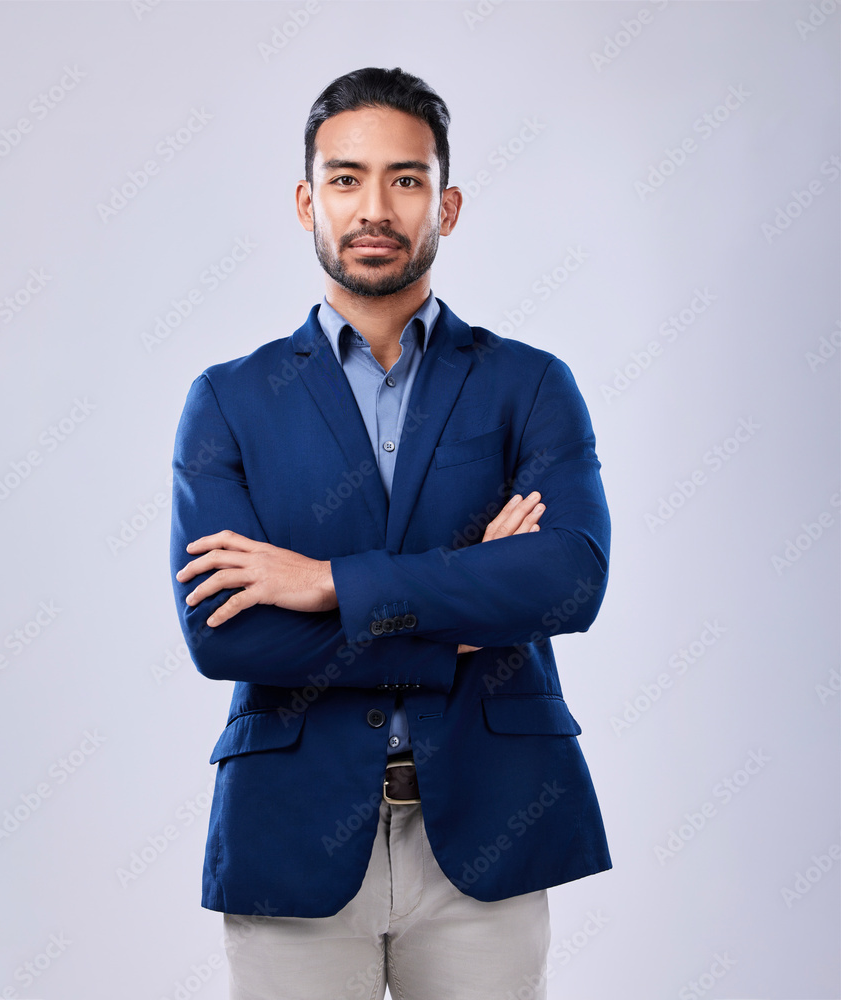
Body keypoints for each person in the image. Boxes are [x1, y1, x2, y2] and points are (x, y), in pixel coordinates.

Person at [170, 66, 611, 1000]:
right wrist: (469, 599)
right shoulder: (230, 400)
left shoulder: (529, 385)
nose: (375, 206)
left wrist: (327, 581)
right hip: (290, 829)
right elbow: (226, 636)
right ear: (306, 201)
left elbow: (569, 582)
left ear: (445, 204)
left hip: (489, 826)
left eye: (405, 180)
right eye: (346, 178)